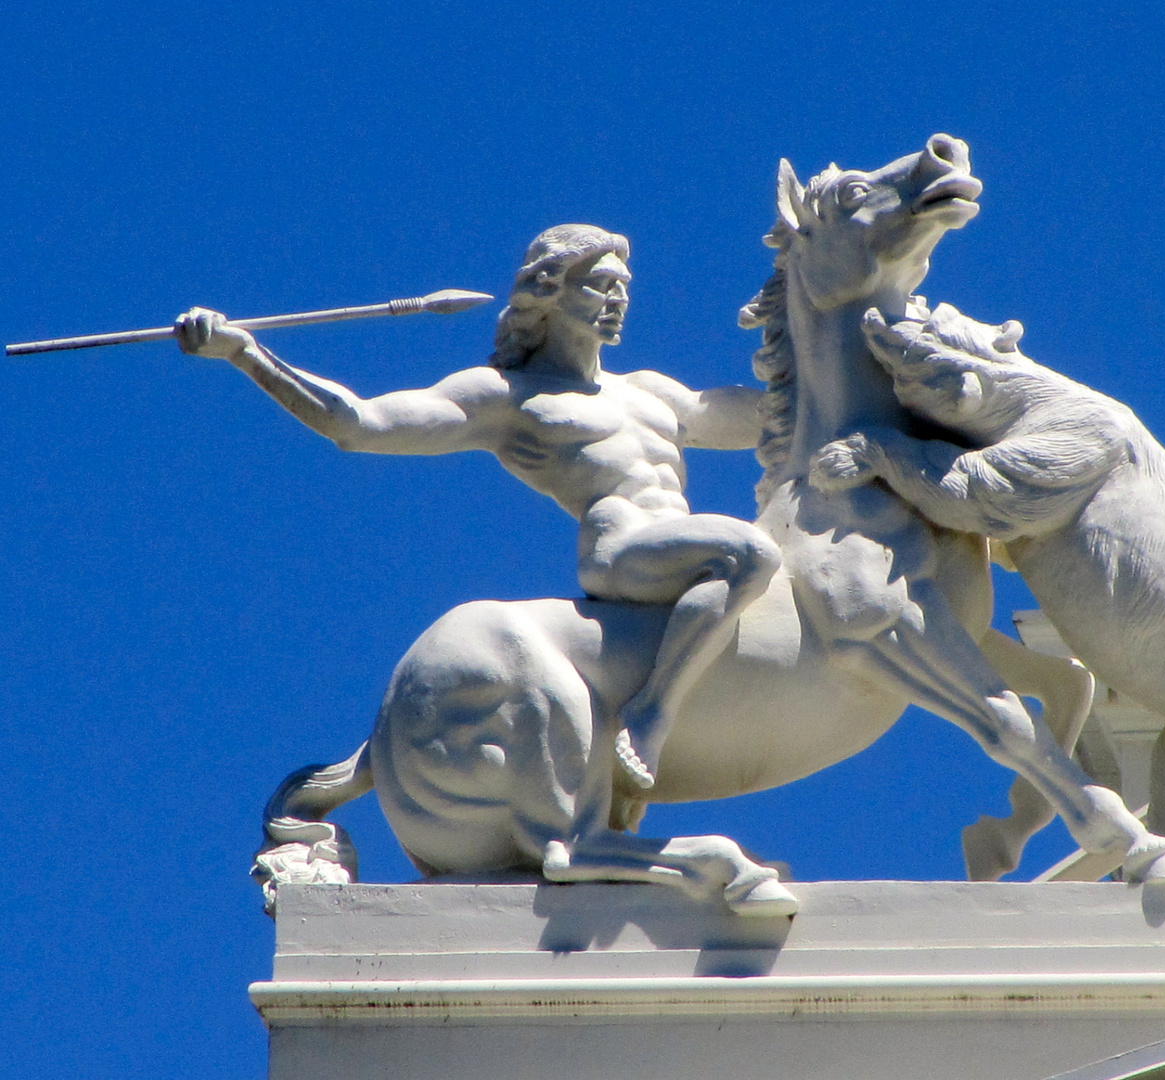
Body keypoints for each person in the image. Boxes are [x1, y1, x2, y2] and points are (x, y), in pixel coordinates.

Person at [176, 224, 780, 791]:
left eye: (625, 287)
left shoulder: (651, 389)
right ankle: (651, 714)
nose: (619, 299)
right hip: (622, 548)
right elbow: (359, 423)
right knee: (749, 549)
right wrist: (244, 353)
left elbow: (771, 414)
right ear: (550, 289)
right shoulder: (505, 397)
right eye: (601, 284)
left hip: (681, 543)